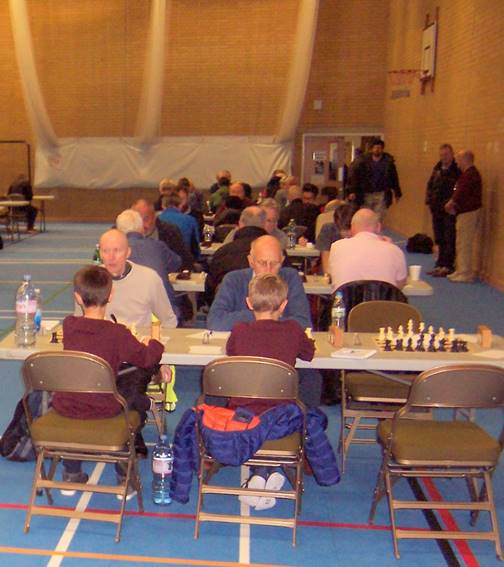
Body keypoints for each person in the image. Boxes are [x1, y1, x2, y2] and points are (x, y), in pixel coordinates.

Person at [53, 265, 170, 495]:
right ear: (111, 295)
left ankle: (71, 473)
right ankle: (124, 479)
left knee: (83, 399)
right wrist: (155, 343)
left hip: (66, 406)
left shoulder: (69, 325)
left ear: (77, 298)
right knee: (126, 406)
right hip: (105, 409)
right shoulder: (117, 333)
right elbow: (147, 359)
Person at [226, 273, 315, 510]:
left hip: (243, 416)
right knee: (293, 410)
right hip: (281, 417)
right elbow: (309, 354)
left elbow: (231, 353)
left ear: (248, 303)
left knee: (259, 416)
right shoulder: (293, 330)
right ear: (284, 305)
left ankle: (261, 474)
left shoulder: (239, 330)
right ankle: (266, 472)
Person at [116, 209, 181, 320]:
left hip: (127, 316)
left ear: (118, 230)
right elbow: (177, 263)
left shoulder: (114, 252)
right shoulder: (158, 246)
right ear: (141, 228)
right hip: (163, 316)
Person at [328, 208, 407, 290]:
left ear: (352, 227)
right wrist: (392, 247)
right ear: (378, 227)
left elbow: (331, 276)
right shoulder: (395, 250)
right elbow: (399, 286)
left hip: (346, 298)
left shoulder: (336, 247)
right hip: (381, 298)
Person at [205, 207, 267, 303]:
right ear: (264, 225)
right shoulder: (277, 253)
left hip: (227, 307)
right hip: (267, 306)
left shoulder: (222, 253)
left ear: (240, 223)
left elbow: (210, 288)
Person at [445, 150, 482, 283]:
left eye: (458, 160)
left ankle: (465, 272)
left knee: (465, 243)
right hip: (463, 212)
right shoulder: (467, 174)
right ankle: (460, 269)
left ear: (465, 160)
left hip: (468, 213)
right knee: (460, 242)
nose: (457, 163)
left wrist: (451, 203)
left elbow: (461, 193)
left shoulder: (471, 175)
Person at [425, 144, 461, 277]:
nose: (443, 157)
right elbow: (430, 185)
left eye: (446, 155)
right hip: (436, 208)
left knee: (449, 237)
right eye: (441, 155)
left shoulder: (457, 171)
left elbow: (458, 190)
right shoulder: (437, 169)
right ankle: (439, 263)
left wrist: (452, 204)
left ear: (452, 155)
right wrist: (429, 201)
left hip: (449, 209)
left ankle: (448, 265)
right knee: (439, 237)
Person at [346, 138, 401, 220]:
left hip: (381, 193)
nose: (377, 150)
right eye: (375, 148)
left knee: (379, 216)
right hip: (366, 192)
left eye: (379, 148)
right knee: (365, 215)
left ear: (382, 149)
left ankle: (376, 227)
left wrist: (397, 192)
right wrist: (351, 191)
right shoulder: (362, 162)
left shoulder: (388, 163)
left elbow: (394, 177)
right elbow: (354, 177)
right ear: (371, 149)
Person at [131, 198, 194, 270]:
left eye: (146, 219)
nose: (142, 225)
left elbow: (185, 261)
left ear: (154, 217)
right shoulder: (127, 236)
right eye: (137, 220)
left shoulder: (170, 232)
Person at [159, 188, 200, 259]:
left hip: (160, 260)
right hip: (183, 261)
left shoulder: (156, 219)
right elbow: (196, 249)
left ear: (163, 205)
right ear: (180, 205)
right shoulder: (190, 220)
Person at [316, 202, 356, 274]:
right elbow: (326, 266)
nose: (347, 233)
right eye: (341, 228)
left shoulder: (363, 233)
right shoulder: (328, 229)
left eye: (349, 228)